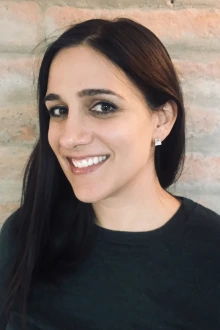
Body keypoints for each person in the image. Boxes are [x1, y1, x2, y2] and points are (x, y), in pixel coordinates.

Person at [0, 17, 220, 330]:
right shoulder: (26, 234)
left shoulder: (211, 254)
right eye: (58, 111)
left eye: (103, 107)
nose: (69, 137)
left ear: (162, 120)